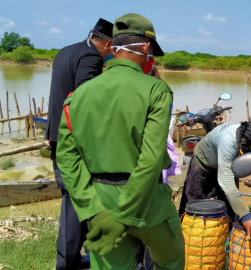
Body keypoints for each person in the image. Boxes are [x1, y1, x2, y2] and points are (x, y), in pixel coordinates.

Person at [56, 13, 184, 269]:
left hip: (100, 202)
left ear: (112, 48)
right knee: (170, 260)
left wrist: (95, 211)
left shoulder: (77, 96)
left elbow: (67, 159)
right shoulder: (156, 91)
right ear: (146, 48)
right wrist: (126, 216)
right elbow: (150, 160)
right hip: (149, 205)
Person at [45, 17, 113, 270]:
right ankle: (68, 262)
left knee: (69, 198)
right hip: (74, 141)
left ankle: (71, 258)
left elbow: (57, 96)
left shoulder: (66, 51)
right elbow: (85, 99)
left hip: (56, 133)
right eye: (114, 48)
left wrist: (51, 133)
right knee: (77, 200)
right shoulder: (91, 57)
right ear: (107, 44)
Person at [178, 120, 251, 242]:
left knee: (230, 209)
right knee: (192, 205)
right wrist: (245, 215)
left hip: (230, 165)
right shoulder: (228, 140)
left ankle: (227, 243)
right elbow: (227, 183)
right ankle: (183, 239)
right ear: (243, 141)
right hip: (204, 163)